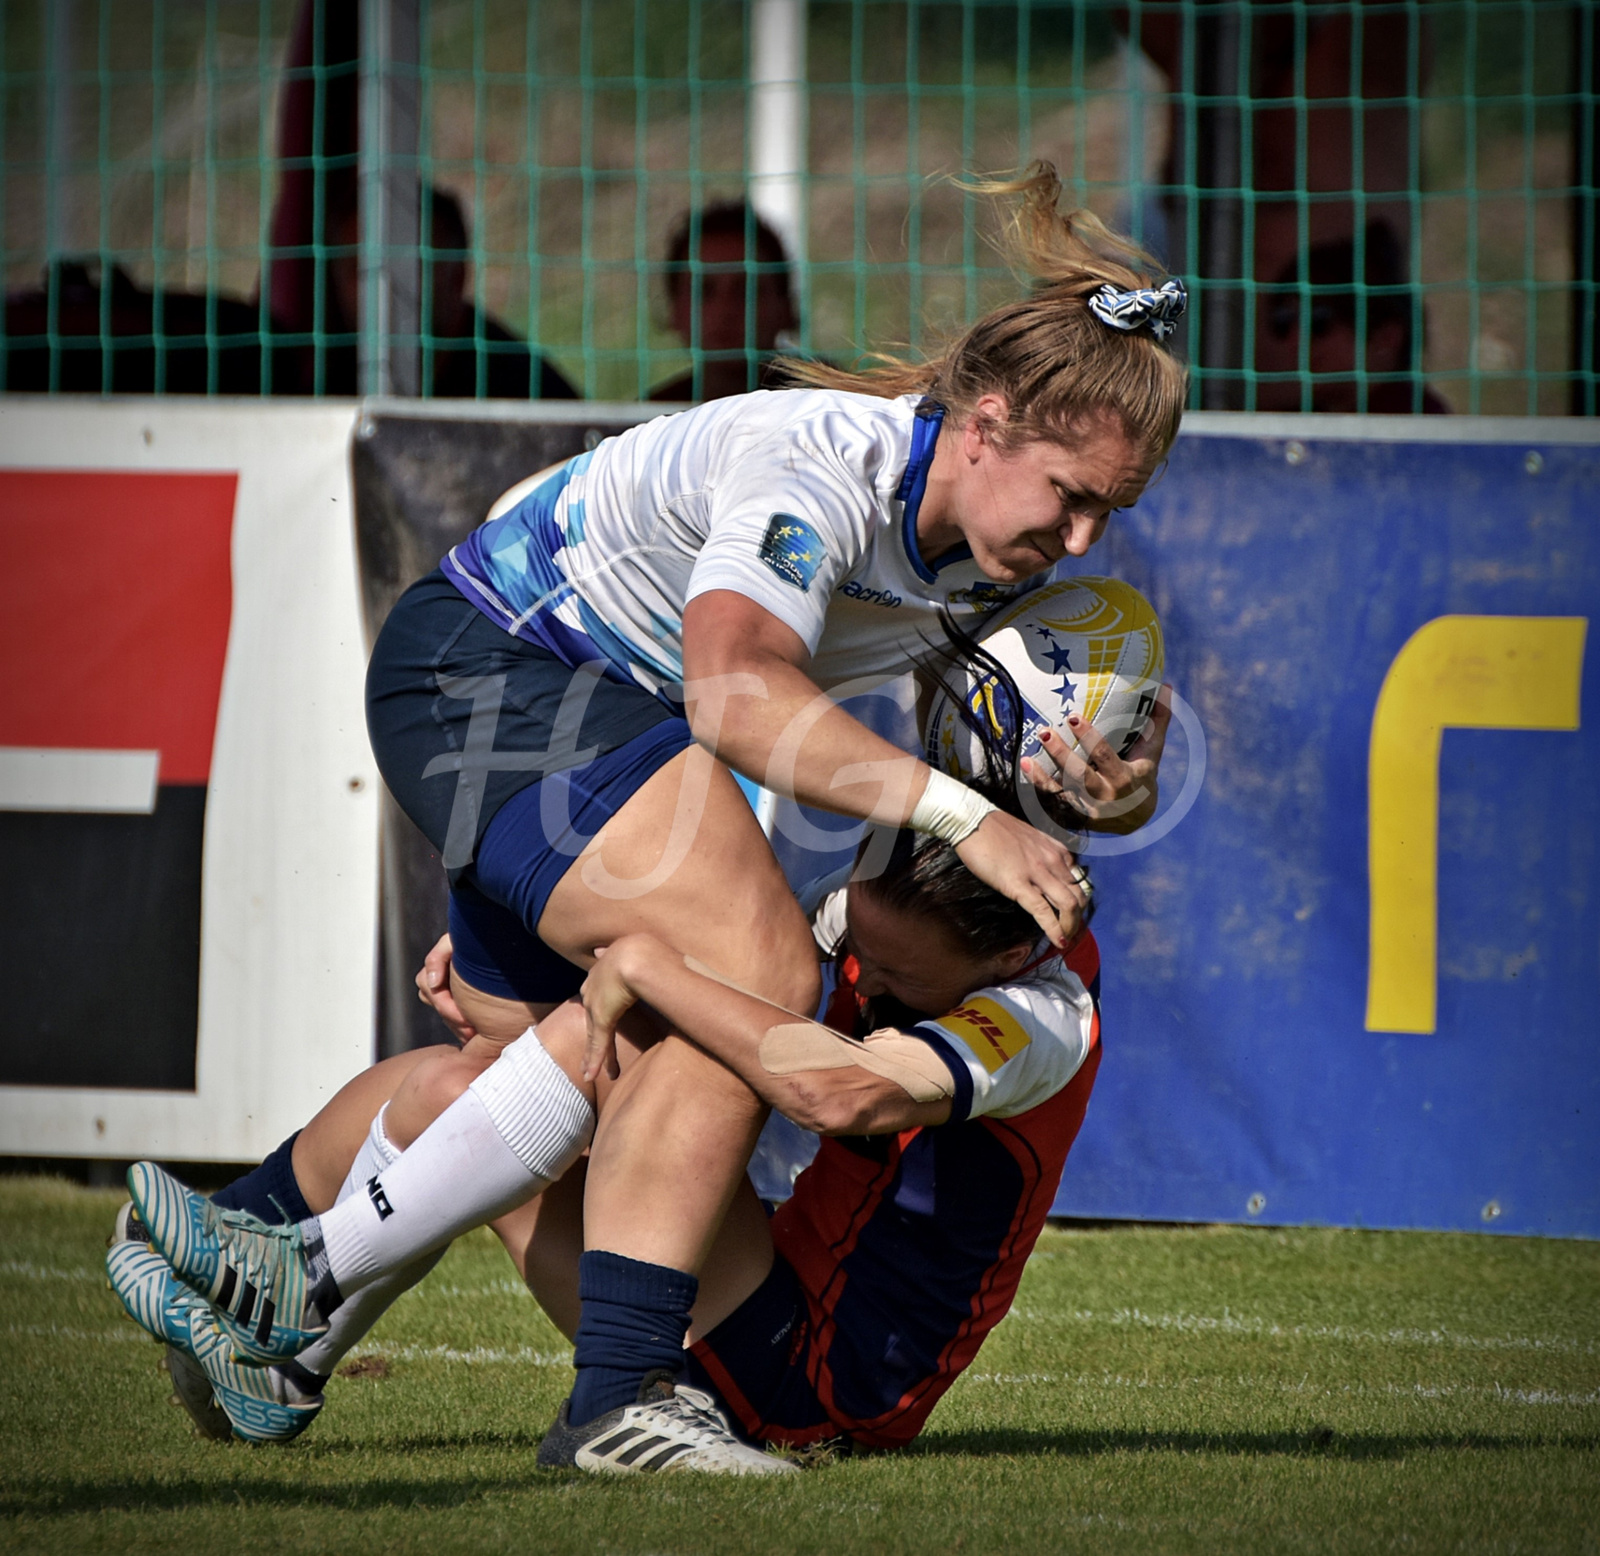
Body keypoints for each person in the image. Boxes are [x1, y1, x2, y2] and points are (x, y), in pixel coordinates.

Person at [122, 163, 1185, 1462]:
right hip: (499, 674)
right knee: (754, 966)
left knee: (529, 1069)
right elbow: (736, 692)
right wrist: (958, 819)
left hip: (570, 724)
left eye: (1107, 514)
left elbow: (1010, 737)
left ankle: (254, 1275)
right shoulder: (826, 469)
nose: (1082, 540)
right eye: (1071, 494)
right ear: (988, 422)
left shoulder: (969, 562)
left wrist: (1098, 792)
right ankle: (616, 1398)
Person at [114, 641, 1106, 1468]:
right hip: (755, 1298)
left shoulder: (1043, 1010)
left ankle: (294, 1279)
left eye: (899, 976)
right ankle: (252, 1289)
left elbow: (839, 1090)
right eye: (866, 951)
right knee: (451, 1085)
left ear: (1011, 948)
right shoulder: (909, 914)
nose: (868, 980)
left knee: (571, 1048)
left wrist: (634, 963)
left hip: (820, 1383)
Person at [1257, 220, 1448, 414]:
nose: (1295, 340)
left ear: (1387, 338)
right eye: (1283, 321)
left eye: (1317, 321)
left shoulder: (1418, 422)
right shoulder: (1295, 425)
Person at [650, 201, 801, 403]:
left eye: (747, 290)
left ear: (786, 308)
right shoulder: (652, 420)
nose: (726, 310)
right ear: (674, 310)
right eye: (704, 290)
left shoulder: (827, 409)